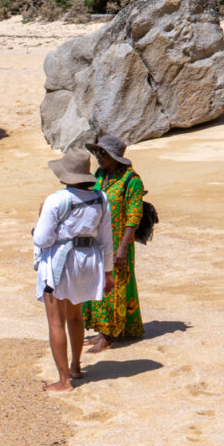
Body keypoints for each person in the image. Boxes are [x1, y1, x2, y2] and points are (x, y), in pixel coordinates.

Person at [32, 148, 110, 392]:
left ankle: (64, 380)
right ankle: (76, 366)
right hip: (88, 261)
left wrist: (35, 228)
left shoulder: (57, 200)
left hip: (61, 263)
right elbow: (106, 239)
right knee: (75, 317)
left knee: (56, 322)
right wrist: (108, 273)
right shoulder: (100, 198)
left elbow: (43, 239)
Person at [83, 134, 145, 351]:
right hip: (99, 241)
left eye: (102, 153)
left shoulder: (131, 180)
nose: (98, 157)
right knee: (99, 284)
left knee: (114, 287)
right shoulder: (100, 175)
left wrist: (122, 248)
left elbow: (134, 216)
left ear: (113, 156)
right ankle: (103, 330)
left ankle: (108, 335)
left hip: (119, 243)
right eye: (97, 152)